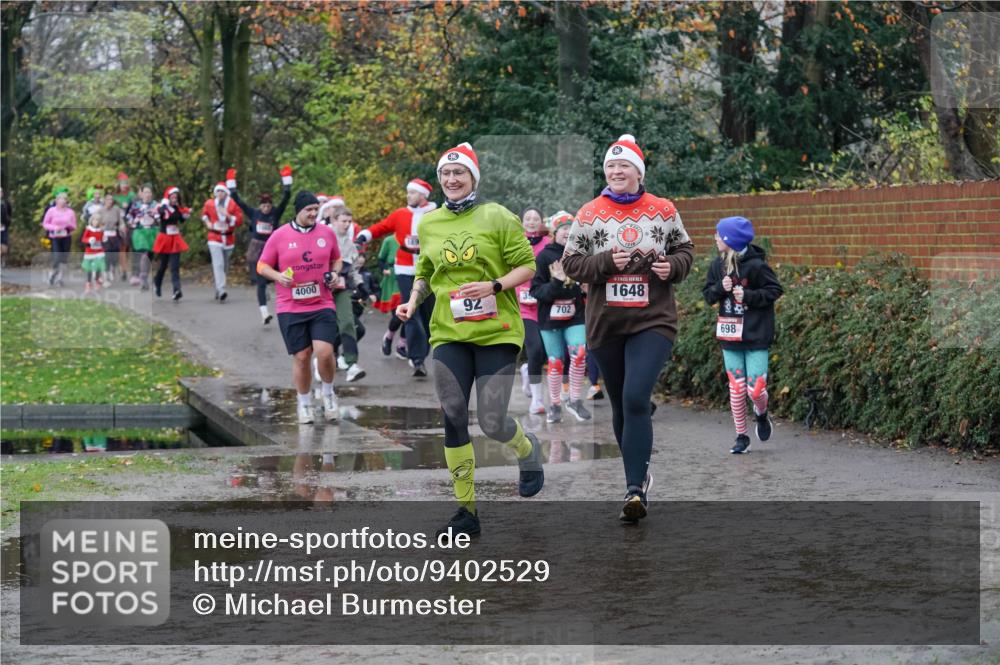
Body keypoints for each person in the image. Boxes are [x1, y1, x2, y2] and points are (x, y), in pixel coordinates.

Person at [397, 142, 543, 537]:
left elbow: (527, 266)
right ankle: (466, 511)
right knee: (453, 412)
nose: (451, 179)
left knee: (493, 421)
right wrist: (411, 302)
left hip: (497, 332)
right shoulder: (429, 222)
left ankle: (527, 450)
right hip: (449, 332)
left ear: (473, 177)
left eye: (459, 173)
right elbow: (425, 271)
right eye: (445, 174)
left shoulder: (497, 216)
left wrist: (494, 285)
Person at [561, 134, 695, 524]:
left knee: (637, 397)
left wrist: (673, 267)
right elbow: (571, 264)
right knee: (620, 404)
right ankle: (635, 478)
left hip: (653, 319)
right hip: (606, 323)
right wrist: (603, 262)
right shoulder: (589, 213)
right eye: (610, 166)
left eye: (624, 166)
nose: (617, 171)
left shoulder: (663, 210)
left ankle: (635, 487)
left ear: (639, 171)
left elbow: (685, 250)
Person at [257, 191, 342, 424]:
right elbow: (262, 265)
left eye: (316, 209)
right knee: (302, 356)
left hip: (322, 302)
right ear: (298, 211)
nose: (314, 213)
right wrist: (278, 276)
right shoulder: (279, 235)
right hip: (290, 306)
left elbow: (337, 259)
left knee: (325, 352)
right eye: (309, 210)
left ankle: (328, 394)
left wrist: (334, 273)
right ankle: (304, 403)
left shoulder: (327, 233)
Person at [702, 216, 783, 454]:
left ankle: (761, 413)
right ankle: (741, 436)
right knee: (736, 388)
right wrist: (720, 288)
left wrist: (748, 296)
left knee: (755, 389)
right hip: (729, 336)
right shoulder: (717, 266)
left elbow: (774, 290)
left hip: (756, 335)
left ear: (730, 240)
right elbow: (708, 295)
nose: (715, 238)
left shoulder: (756, 266)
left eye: (719, 234)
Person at [357, 179, 437, 377]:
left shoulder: (436, 214)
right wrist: (363, 236)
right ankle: (417, 360)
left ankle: (418, 353)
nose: (408, 196)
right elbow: (382, 227)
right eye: (408, 192)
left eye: (412, 193)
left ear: (423, 196)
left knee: (428, 316)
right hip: (404, 269)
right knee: (411, 311)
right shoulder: (400, 214)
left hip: (429, 269)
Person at [530, 211, 591, 423]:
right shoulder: (544, 256)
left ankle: (575, 400)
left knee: (580, 353)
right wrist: (556, 281)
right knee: (555, 362)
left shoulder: (579, 254)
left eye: (571, 229)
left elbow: (587, 281)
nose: (567, 232)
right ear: (554, 232)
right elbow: (536, 291)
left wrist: (587, 287)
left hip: (575, 316)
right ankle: (555, 404)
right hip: (550, 319)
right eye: (563, 229)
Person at [228, 166, 293, 324]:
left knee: (283, 276)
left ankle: (290, 306)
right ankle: (264, 313)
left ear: (271, 206)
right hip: (257, 250)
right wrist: (232, 187)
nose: (266, 208)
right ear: (260, 206)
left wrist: (286, 185)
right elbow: (239, 202)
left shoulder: (275, 213)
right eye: (263, 206)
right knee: (261, 281)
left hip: (274, 249)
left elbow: (286, 198)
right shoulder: (254, 213)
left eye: (268, 206)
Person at [515, 206, 549, 415]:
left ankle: (528, 369)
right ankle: (536, 400)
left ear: (541, 222)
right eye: (527, 218)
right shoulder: (516, 242)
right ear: (522, 221)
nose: (531, 221)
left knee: (545, 353)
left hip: (545, 305)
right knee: (535, 349)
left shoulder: (548, 244)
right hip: (523, 307)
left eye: (535, 218)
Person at [330, 208, 366, 382]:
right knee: (325, 327)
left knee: (347, 323)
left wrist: (362, 287)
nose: (346, 224)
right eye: (343, 221)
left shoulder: (350, 245)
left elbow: (353, 271)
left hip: (341, 289)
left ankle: (351, 364)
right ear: (334, 220)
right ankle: (325, 357)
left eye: (348, 222)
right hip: (322, 289)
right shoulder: (324, 238)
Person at [202, 181, 243, 301]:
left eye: (222, 191)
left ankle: (218, 288)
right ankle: (222, 290)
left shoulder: (232, 205)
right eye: (217, 191)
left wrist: (228, 215)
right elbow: (204, 214)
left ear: (226, 193)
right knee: (218, 264)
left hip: (228, 238)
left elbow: (239, 221)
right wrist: (208, 223)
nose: (219, 193)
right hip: (214, 237)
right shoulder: (209, 203)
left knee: (225, 266)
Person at [152, 186, 191, 301]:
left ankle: (177, 290)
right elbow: (158, 215)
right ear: (168, 198)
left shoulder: (177, 208)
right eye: (172, 197)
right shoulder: (162, 207)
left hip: (175, 239)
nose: (174, 199)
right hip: (165, 239)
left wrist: (187, 215)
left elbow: (181, 219)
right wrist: (164, 206)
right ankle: (157, 282)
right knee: (163, 265)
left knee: (175, 266)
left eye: (176, 197)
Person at [42, 188, 77, 287]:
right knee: (57, 257)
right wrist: (54, 227)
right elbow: (45, 224)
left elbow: (74, 226)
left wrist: (69, 226)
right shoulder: (51, 211)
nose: (62, 201)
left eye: (64, 199)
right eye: (60, 199)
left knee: (64, 258)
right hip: (55, 237)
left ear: (67, 201)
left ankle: (60, 278)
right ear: (56, 200)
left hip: (66, 236)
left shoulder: (70, 212)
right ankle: (52, 274)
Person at [127, 184, 159, 290]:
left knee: (150, 255)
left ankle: (146, 277)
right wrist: (134, 222)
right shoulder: (136, 205)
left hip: (153, 231)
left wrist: (156, 217)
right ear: (141, 194)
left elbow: (162, 217)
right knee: (144, 254)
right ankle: (143, 278)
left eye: (149, 192)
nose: (147, 194)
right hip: (140, 232)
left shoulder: (156, 205)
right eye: (145, 192)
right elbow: (129, 217)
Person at [97, 192, 125, 284]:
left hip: (114, 234)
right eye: (108, 199)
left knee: (115, 254)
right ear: (104, 201)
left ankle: (112, 269)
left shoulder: (116, 209)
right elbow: (96, 222)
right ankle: (106, 273)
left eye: (111, 200)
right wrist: (100, 228)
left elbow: (120, 221)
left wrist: (122, 226)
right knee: (107, 253)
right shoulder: (101, 210)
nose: (110, 201)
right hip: (105, 235)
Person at [113, 172, 136, 280]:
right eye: (122, 183)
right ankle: (120, 268)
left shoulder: (131, 195)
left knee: (126, 247)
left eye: (126, 183)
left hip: (128, 223)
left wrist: (129, 206)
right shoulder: (114, 195)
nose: (124, 185)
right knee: (119, 247)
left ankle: (126, 269)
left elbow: (136, 207)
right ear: (118, 184)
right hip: (116, 223)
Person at [80, 213, 106, 293]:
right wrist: (89, 239)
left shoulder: (101, 230)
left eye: (97, 220)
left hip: (99, 251)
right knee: (89, 268)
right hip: (90, 251)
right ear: (91, 221)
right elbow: (83, 239)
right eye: (94, 220)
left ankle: (97, 281)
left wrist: (104, 239)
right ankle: (88, 283)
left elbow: (102, 239)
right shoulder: (88, 229)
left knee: (98, 267)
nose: (95, 222)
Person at [1, 187, 11, 269]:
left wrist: (7, 222)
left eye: (1, 192)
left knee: (4, 249)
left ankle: (2, 261)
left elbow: (9, 214)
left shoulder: (5, 203)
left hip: (3, 228)